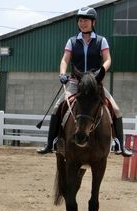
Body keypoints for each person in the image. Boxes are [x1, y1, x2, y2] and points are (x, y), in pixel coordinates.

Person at [37, 7, 132, 157]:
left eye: (86, 20)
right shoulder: (72, 41)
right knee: (57, 107)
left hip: (95, 84)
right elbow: (64, 60)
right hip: (76, 83)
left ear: (93, 22)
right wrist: (62, 74)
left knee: (116, 109)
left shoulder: (101, 40)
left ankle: (120, 143)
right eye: (80, 20)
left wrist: (101, 71)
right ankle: (51, 142)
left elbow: (108, 60)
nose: (83, 23)